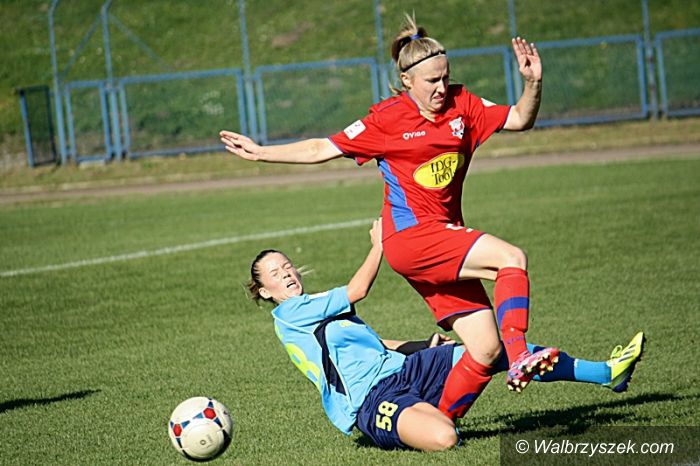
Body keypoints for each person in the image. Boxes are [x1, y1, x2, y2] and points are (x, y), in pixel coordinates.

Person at [224, 14, 569, 419]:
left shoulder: (463, 103)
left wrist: (533, 83)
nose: (441, 87)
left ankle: (440, 421)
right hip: (414, 238)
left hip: (442, 236)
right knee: (511, 258)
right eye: (432, 81)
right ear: (407, 80)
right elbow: (322, 148)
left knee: (484, 349)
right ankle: (520, 354)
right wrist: (261, 153)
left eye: (445, 77)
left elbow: (520, 118)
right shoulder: (386, 119)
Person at [246, 220, 645, 451]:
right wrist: (380, 245)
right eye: (276, 274)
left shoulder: (316, 312)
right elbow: (358, 289)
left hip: (408, 369)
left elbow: (377, 345)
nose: (287, 273)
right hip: (373, 401)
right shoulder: (292, 313)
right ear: (265, 292)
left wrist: (424, 346)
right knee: (444, 438)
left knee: (492, 349)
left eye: (287, 265)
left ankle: (607, 373)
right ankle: (443, 408)